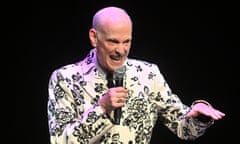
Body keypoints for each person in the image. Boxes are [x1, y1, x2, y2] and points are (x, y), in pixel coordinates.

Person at [47, 6, 225, 144]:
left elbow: (183, 129)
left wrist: (199, 116)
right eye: (113, 41)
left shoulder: (148, 74)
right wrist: (101, 109)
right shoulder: (65, 79)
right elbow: (60, 140)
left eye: (127, 42)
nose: (121, 50)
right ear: (94, 37)